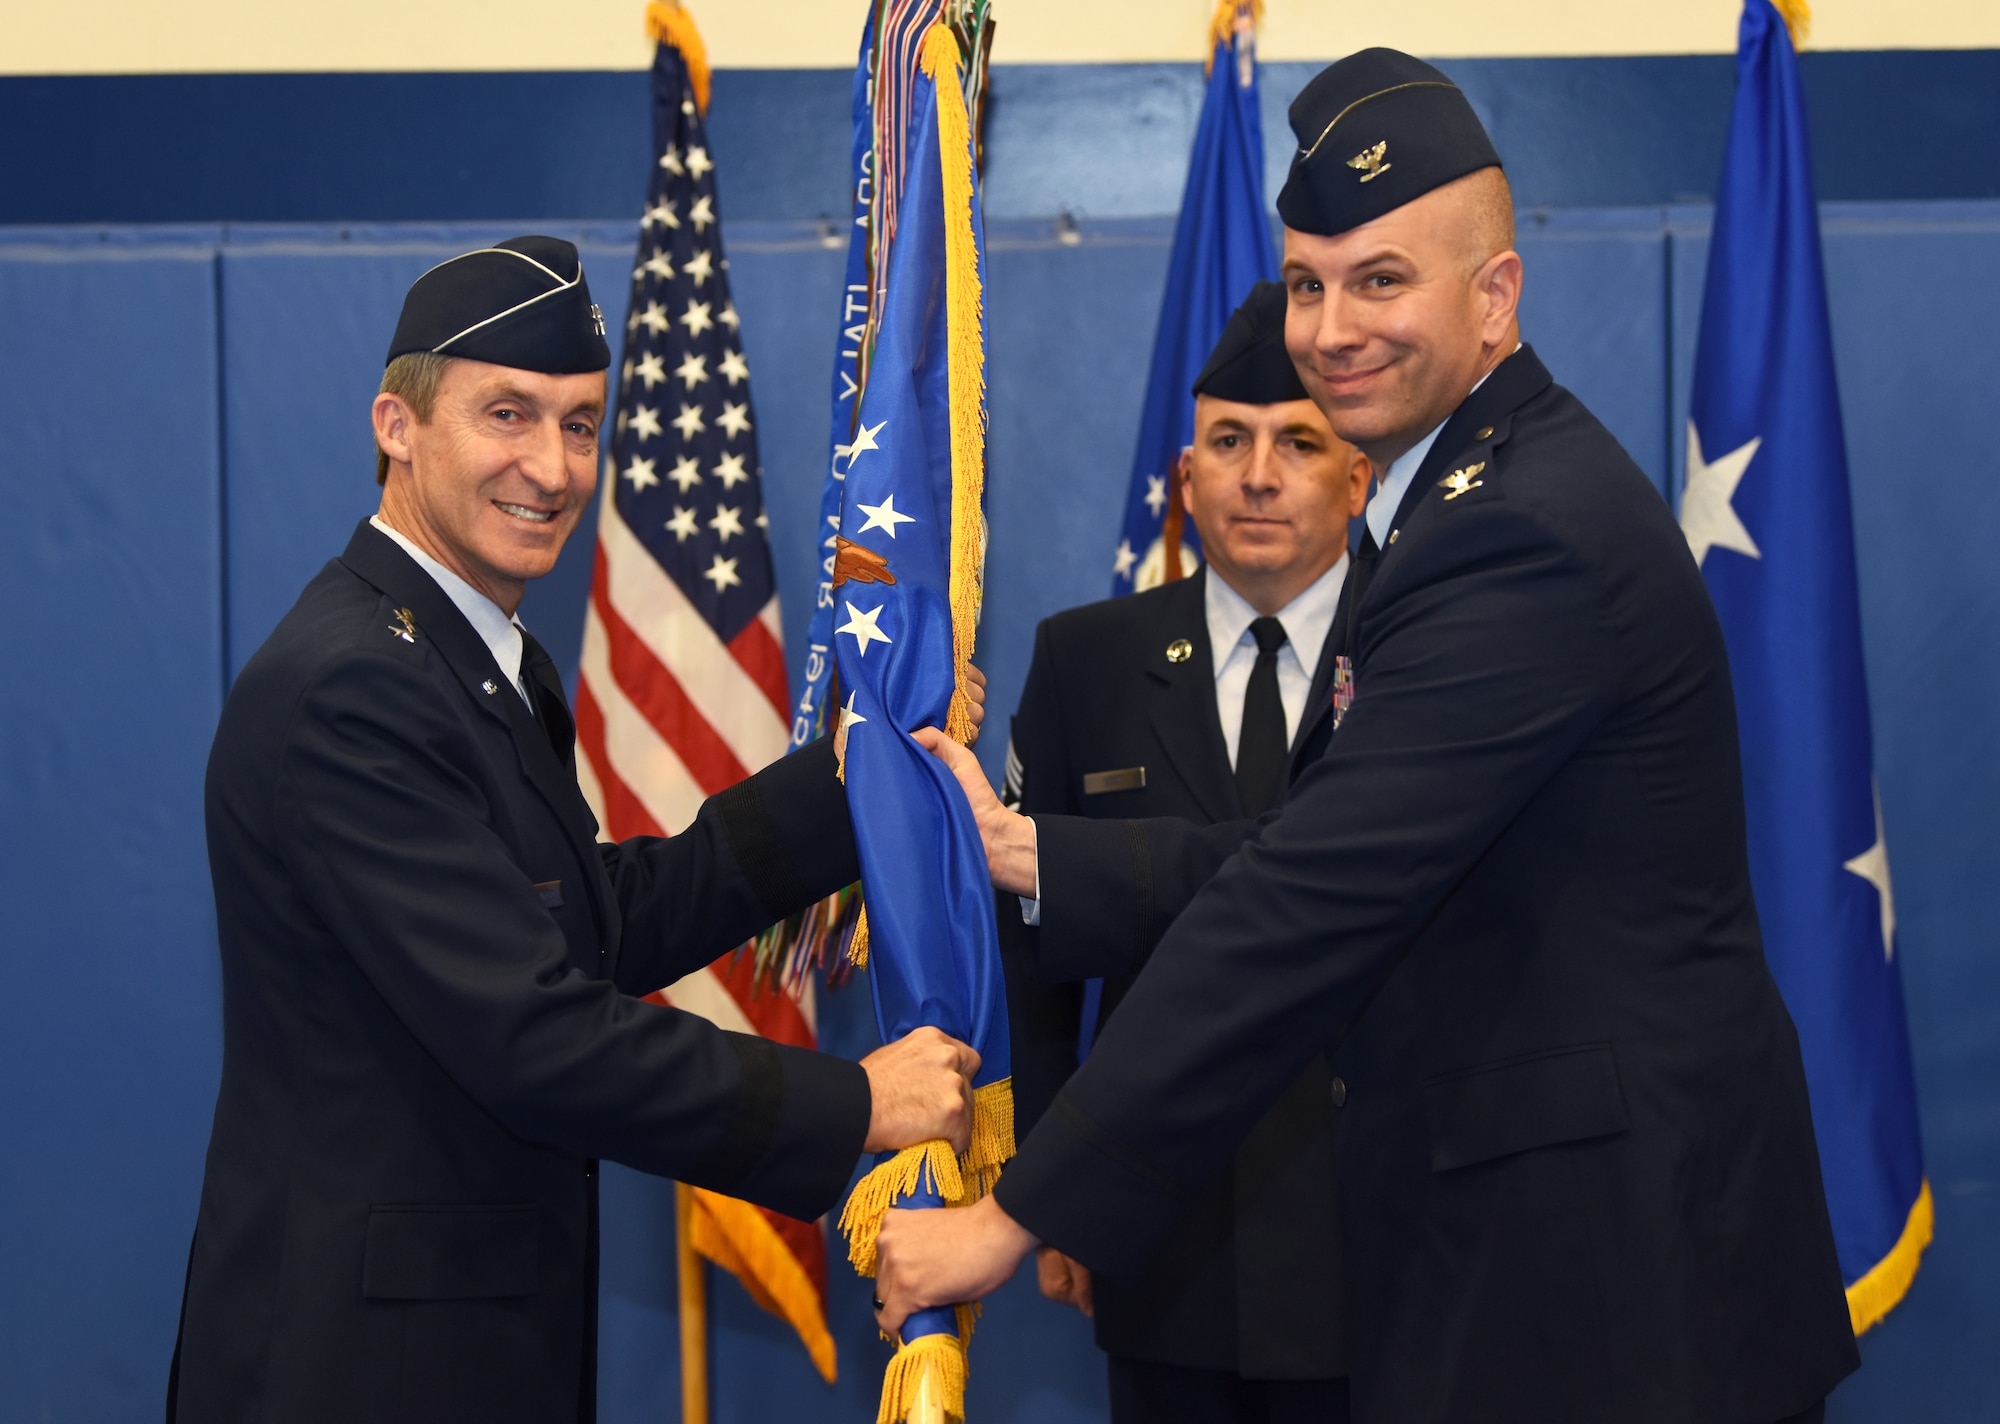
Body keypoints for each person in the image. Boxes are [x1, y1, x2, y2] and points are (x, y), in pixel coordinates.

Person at [878, 50, 1861, 1424]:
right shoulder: (1455, 504)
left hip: (1606, 1303)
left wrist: (1016, 1217)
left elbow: (1306, 900)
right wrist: (1033, 852)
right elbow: (1305, 850)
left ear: (1495, 297)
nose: (1332, 328)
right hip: (1540, 1270)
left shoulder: (1514, 537)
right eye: (1307, 284)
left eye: (1382, 279)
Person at [169, 236, 980, 1423]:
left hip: (454, 1341)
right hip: (360, 1368)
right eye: (508, 415)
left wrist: (842, 785)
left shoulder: (461, 658)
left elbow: (593, 923)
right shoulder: (356, 687)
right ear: (397, 424)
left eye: (582, 424)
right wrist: (853, 1103)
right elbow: (535, 1034)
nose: (551, 467)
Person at [1000, 280, 1369, 1424]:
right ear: (1184, 476)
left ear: (1358, 477)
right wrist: (1057, 1191)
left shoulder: (1419, 652)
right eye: (1228, 440)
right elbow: (1036, 960)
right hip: (1160, 1220)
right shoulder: (1086, 660)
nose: (1258, 474)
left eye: (1298, 441)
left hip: (1382, 1221)